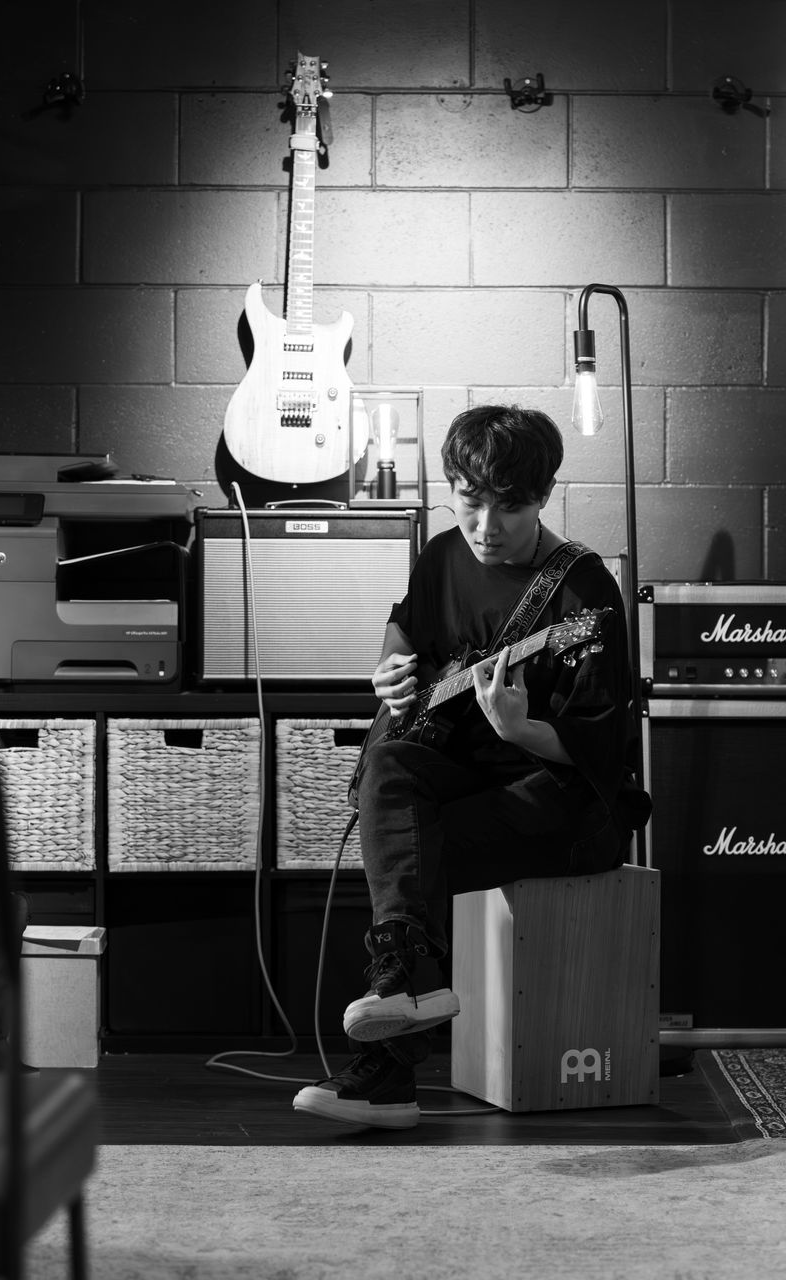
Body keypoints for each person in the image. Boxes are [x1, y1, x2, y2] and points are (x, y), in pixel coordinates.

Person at [293, 404, 649, 1129]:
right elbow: (406, 622)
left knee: (410, 849)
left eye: (509, 508)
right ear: (450, 488)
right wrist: (388, 668)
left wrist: (523, 728)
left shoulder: (583, 599)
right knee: (392, 764)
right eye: (470, 502)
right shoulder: (443, 556)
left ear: (543, 495)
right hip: (471, 782)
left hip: (570, 803)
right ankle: (403, 988)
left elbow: (606, 759)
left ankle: (394, 1048)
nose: (486, 527)